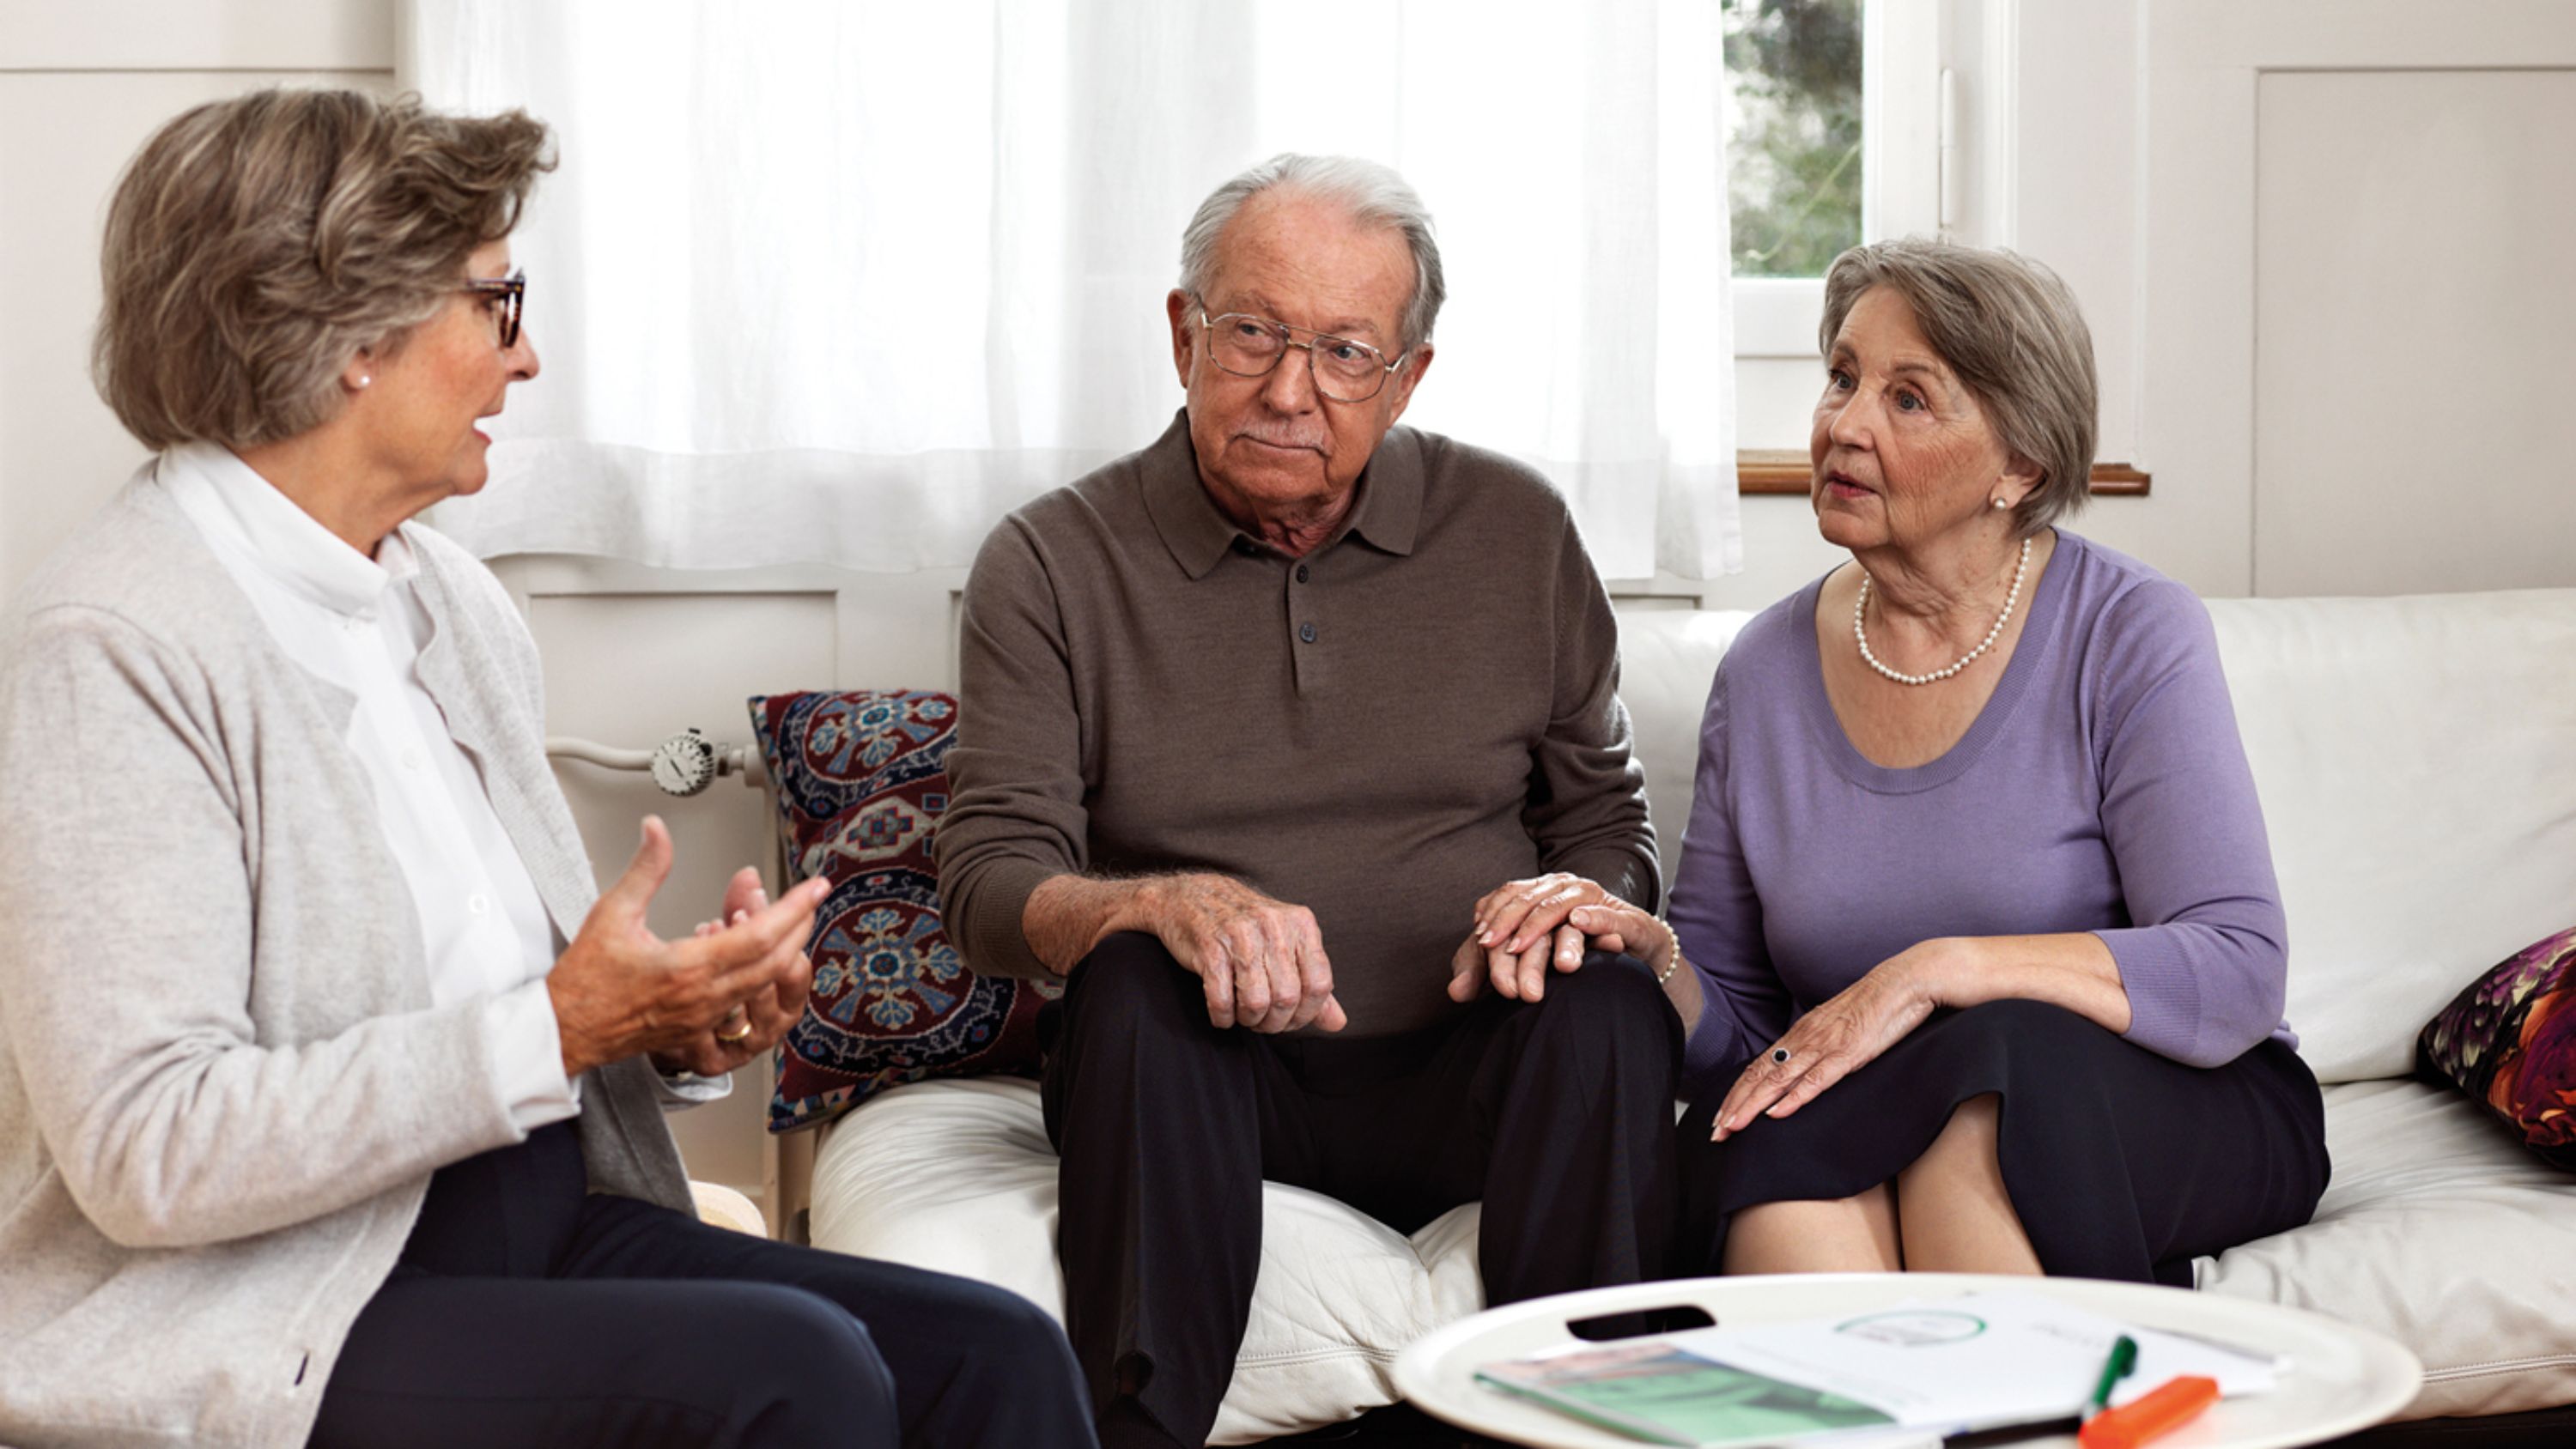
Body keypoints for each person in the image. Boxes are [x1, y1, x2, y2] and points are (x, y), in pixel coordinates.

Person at [0, 88, 1092, 1449]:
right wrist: (565, 1027)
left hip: (535, 1217)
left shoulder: (451, 603)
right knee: (792, 1374)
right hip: (264, 1301)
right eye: (495, 304)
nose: (525, 359)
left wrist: (675, 1020)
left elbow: (535, 1008)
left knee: (997, 1357)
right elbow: (147, 1146)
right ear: (352, 333)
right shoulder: (117, 641)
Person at [935, 153, 1695, 1449]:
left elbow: (1606, 823)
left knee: (1610, 1000)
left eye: (1346, 352)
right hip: (1208, 1077)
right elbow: (986, 884)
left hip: (1470, 1065)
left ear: (1407, 377)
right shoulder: (1051, 559)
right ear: (1183, 333)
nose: (1290, 391)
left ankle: (1588, 1431)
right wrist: (1159, 906)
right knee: (1131, 978)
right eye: (1252, 333)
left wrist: (1584, 896)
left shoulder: (1516, 529)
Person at [1556, 239, 2330, 1286]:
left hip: (2168, 1096)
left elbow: (2235, 966)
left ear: (2020, 468)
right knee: (1773, 1161)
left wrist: (1936, 972)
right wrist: (1655, 957)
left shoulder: (2131, 630)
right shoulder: (1764, 670)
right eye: (1842, 377)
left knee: (1988, 1086)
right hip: (1879, 1100)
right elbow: (1749, 1044)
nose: (1845, 423)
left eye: (1909, 398)